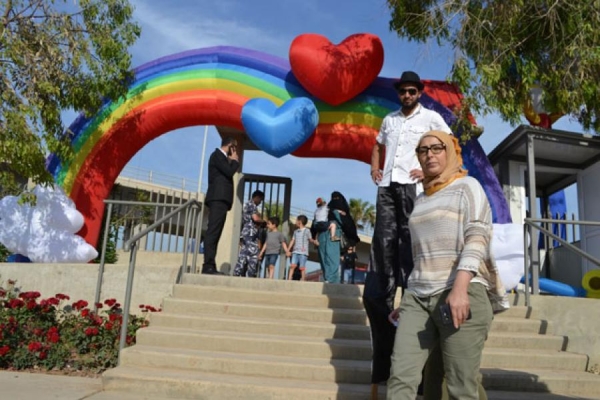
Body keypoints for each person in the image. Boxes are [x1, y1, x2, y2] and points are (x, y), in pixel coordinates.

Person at [386, 131, 509, 400]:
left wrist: (460, 289)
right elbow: (421, 255)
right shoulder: (422, 199)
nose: (429, 154)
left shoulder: (468, 186)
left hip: (460, 291)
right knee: (401, 377)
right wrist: (407, 297)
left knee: (459, 385)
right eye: (423, 150)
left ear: (450, 151)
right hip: (418, 298)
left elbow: (477, 237)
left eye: (436, 148)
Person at [363, 71, 453, 387]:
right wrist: (375, 167)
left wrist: (428, 170)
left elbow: (450, 144)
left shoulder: (431, 118)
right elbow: (377, 145)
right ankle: (384, 357)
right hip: (387, 187)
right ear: (399, 93)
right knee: (384, 246)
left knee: (411, 243)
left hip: (413, 187)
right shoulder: (389, 120)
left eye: (412, 91)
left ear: (419, 93)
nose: (407, 95)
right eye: (404, 91)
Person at [201, 137, 239, 275]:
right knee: (213, 232)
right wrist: (235, 161)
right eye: (234, 148)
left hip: (222, 200)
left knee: (216, 233)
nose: (235, 151)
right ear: (230, 146)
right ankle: (208, 266)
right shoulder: (217, 155)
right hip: (217, 198)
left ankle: (211, 265)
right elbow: (229, 172)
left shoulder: (222, 158)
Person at [317, 191, 360, 284]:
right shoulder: (340, 213)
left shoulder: (325, 211)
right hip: (332, 237)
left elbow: (315, 224)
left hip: (322, 237)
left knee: (326, 262)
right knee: (331, 261)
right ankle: (331, 283)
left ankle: (329, 281)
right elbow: (349, 227)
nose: (336, 201)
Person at [233, 190, 265, 278]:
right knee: (249, 254)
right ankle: (244, 273)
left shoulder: (248, 204)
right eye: (260, 200)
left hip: (248, 233)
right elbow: (255, 218)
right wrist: (263, 222)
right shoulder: (251, 205)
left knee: (248, 253)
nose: (260, 202)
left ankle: (242, 272)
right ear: (257, 197)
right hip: (250, 233)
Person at [287, 215, 311, 281]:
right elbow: (292, 240)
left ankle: (303, 280)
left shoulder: (307, 231)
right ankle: (289, 279)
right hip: (295, 251)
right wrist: (288, 250)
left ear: (299, 222)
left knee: (302, 267)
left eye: (296, 220)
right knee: (292, 266)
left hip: (303, 252)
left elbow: (310, 239)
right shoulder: (295, 231)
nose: (295, 222)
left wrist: (314, 241)